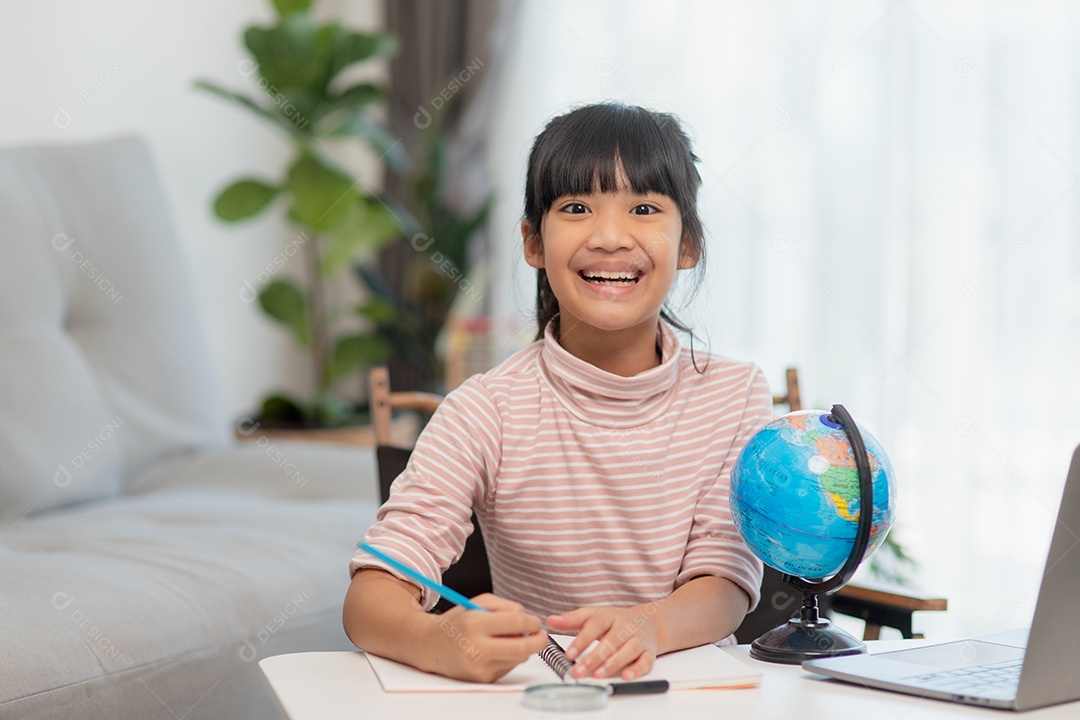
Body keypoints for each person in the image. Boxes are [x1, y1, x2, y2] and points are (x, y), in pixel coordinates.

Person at [343, 102, 771, 684]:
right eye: (576, 208)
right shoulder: (485, 409)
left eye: (644, 208)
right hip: (549, 694)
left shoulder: (736, 394)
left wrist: (649, 625)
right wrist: (438, 639)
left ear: (688, 244)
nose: (611, 236)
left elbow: (725, 583)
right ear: (533, 242)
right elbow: (371, 594)